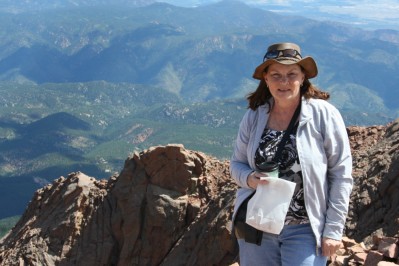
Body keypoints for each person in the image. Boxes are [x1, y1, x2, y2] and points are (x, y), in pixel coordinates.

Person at [230, 42, 353, 266]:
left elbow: (341, 175)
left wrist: (333, 230)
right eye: (276, 74)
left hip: (305, 229)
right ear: (265, 79)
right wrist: (249, 179)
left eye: (291, 74)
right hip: (258, 224)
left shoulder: (323, 115)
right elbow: (236, 164)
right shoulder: (255, 116)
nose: (284, 82)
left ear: (303, 77)